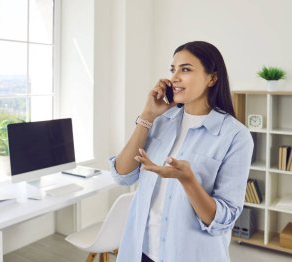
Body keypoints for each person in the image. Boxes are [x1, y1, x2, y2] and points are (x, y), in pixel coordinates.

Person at [109, 41, 254, 262]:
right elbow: (122, 174)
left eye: (185, 69)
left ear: (212, 78)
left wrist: (188, 181)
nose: (174, 77)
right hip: (140, 251)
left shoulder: (235, 136)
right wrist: (147, 116)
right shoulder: (160, 121)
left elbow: (221, 222)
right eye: (172, 69)